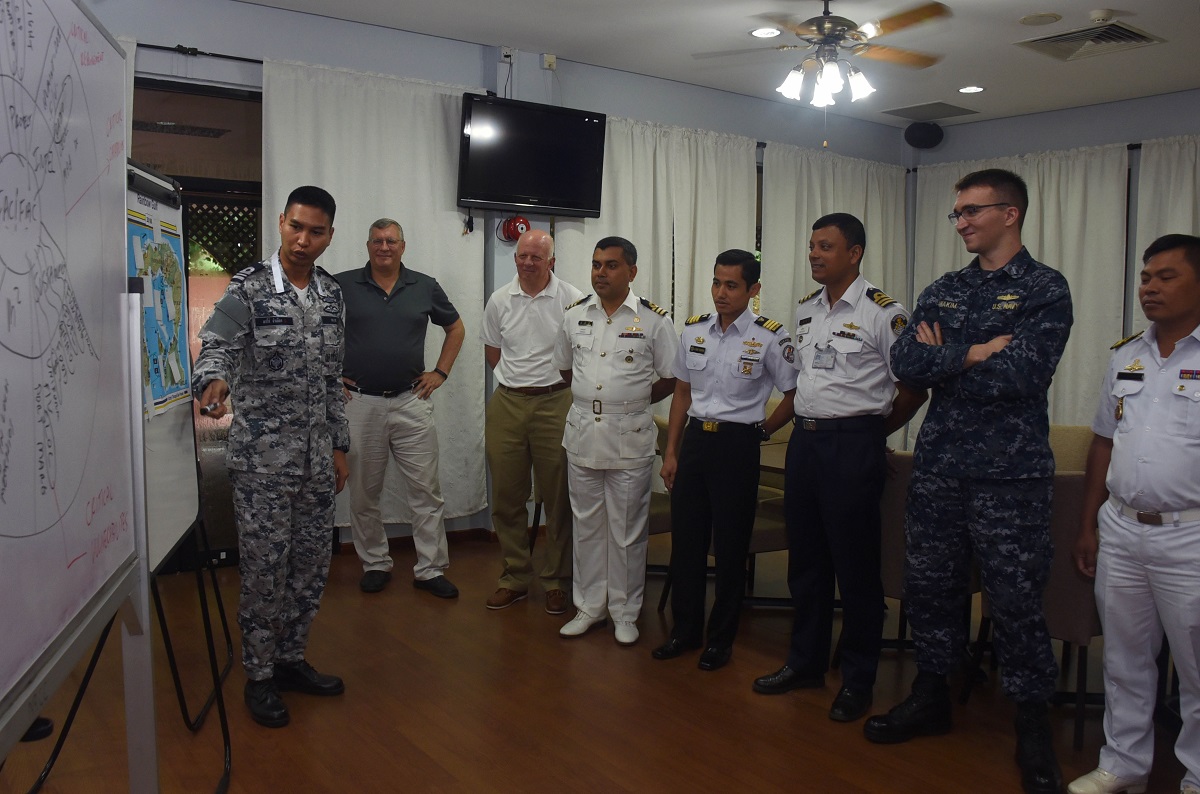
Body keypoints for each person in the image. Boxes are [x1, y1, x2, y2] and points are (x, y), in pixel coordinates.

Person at [866, 168, 1073, 794]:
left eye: (971, 212)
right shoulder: (945, 288)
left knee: (1015, 602)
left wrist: (946, 360)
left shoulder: (1044, 288)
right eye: (956, 214)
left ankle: (1032, 723)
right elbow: (905, 361)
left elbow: (1024, 376)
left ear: (1010, 214)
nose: (960, 223)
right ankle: (933, 694)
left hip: (1010, 478)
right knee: (930, 590)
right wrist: (975, 353)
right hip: (940, 470)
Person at [751, 214, 926, 722]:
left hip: (852, 447)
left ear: (854, 253)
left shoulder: (884, 314)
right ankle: (804, 663)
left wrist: (872, 436)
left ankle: (857, 680)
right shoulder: (807, 311)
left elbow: (913, 388)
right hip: (804, 444)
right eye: (811, 246)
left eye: (825, 247)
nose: (813, 255)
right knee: (806, 565)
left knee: (855, 570)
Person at [192, 185, 350, 729]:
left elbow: (332, 379)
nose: (303, 241)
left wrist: (338, 444)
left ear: (329, 235)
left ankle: (289, 660)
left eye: (316, 232)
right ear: (280, 222)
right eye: (295, 228)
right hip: (263, 463)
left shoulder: (331, 296)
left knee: (310, 567)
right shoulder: (251, 288)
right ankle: (258, 675)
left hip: (314, 461)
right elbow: (218, 345)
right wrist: (213, 379)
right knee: (264, 570)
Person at [1069, 234, 1200, 794]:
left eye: (1166, 276)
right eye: (1146, 277)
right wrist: (1087, 524)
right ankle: (1123, 764)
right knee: (1124, 658)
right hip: (1121, 528)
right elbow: (1103, 442)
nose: (1149, 287)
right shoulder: (1127, 354)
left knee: (1196, 668)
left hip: (1190, 534)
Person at [652, 249, 796, 671]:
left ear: (753, 290)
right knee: (688, 543)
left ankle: (721, 638)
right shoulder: (696, 331)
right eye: (716, 283)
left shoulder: (770, 337)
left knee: (731, 546)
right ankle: (685, 631)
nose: (720, 293)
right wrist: (673, 451)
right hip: (696, 441)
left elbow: (793, 394)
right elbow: (682, 392)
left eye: (731, 285)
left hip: (738, 445)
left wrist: (764, 432)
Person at [551, 236, 676, 645]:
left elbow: (671, 378)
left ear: (631, 272)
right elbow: (566, 371)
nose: (600, 272)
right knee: (586, 525)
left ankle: (624, 611)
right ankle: (589, 607)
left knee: (625, 530)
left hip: (630, 437)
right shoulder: (574, 316)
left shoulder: (654, 320)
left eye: (610, 265)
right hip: (584, 432)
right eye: (596, 264)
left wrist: (632, 402)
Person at [336, 219, 465, 599]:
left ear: (403, 246)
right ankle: (375, 563)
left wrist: (440, 372)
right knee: (363, 493)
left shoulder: (424, 285)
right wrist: (331, 375)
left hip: (411, 401)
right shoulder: (342, 284)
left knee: (426, 491)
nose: (384, 247)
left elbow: (456, 328)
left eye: (391, 240)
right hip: (360, 403)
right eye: (377, 240)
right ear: (367, 245)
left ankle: (430, 568)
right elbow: (317, 328)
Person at [482, 229, 583, 615]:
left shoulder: (572, 299)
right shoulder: (499, 300)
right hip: (507, 402)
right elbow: (494, 350)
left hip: (556, 402)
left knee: (558, 497)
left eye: (535, 258)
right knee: (507, 496)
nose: (526, 263)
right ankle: (515, 578)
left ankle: (556, 580)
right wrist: (516, 381)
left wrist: (550, 386)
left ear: (551, 262)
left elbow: (580, 350)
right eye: (522, 256)